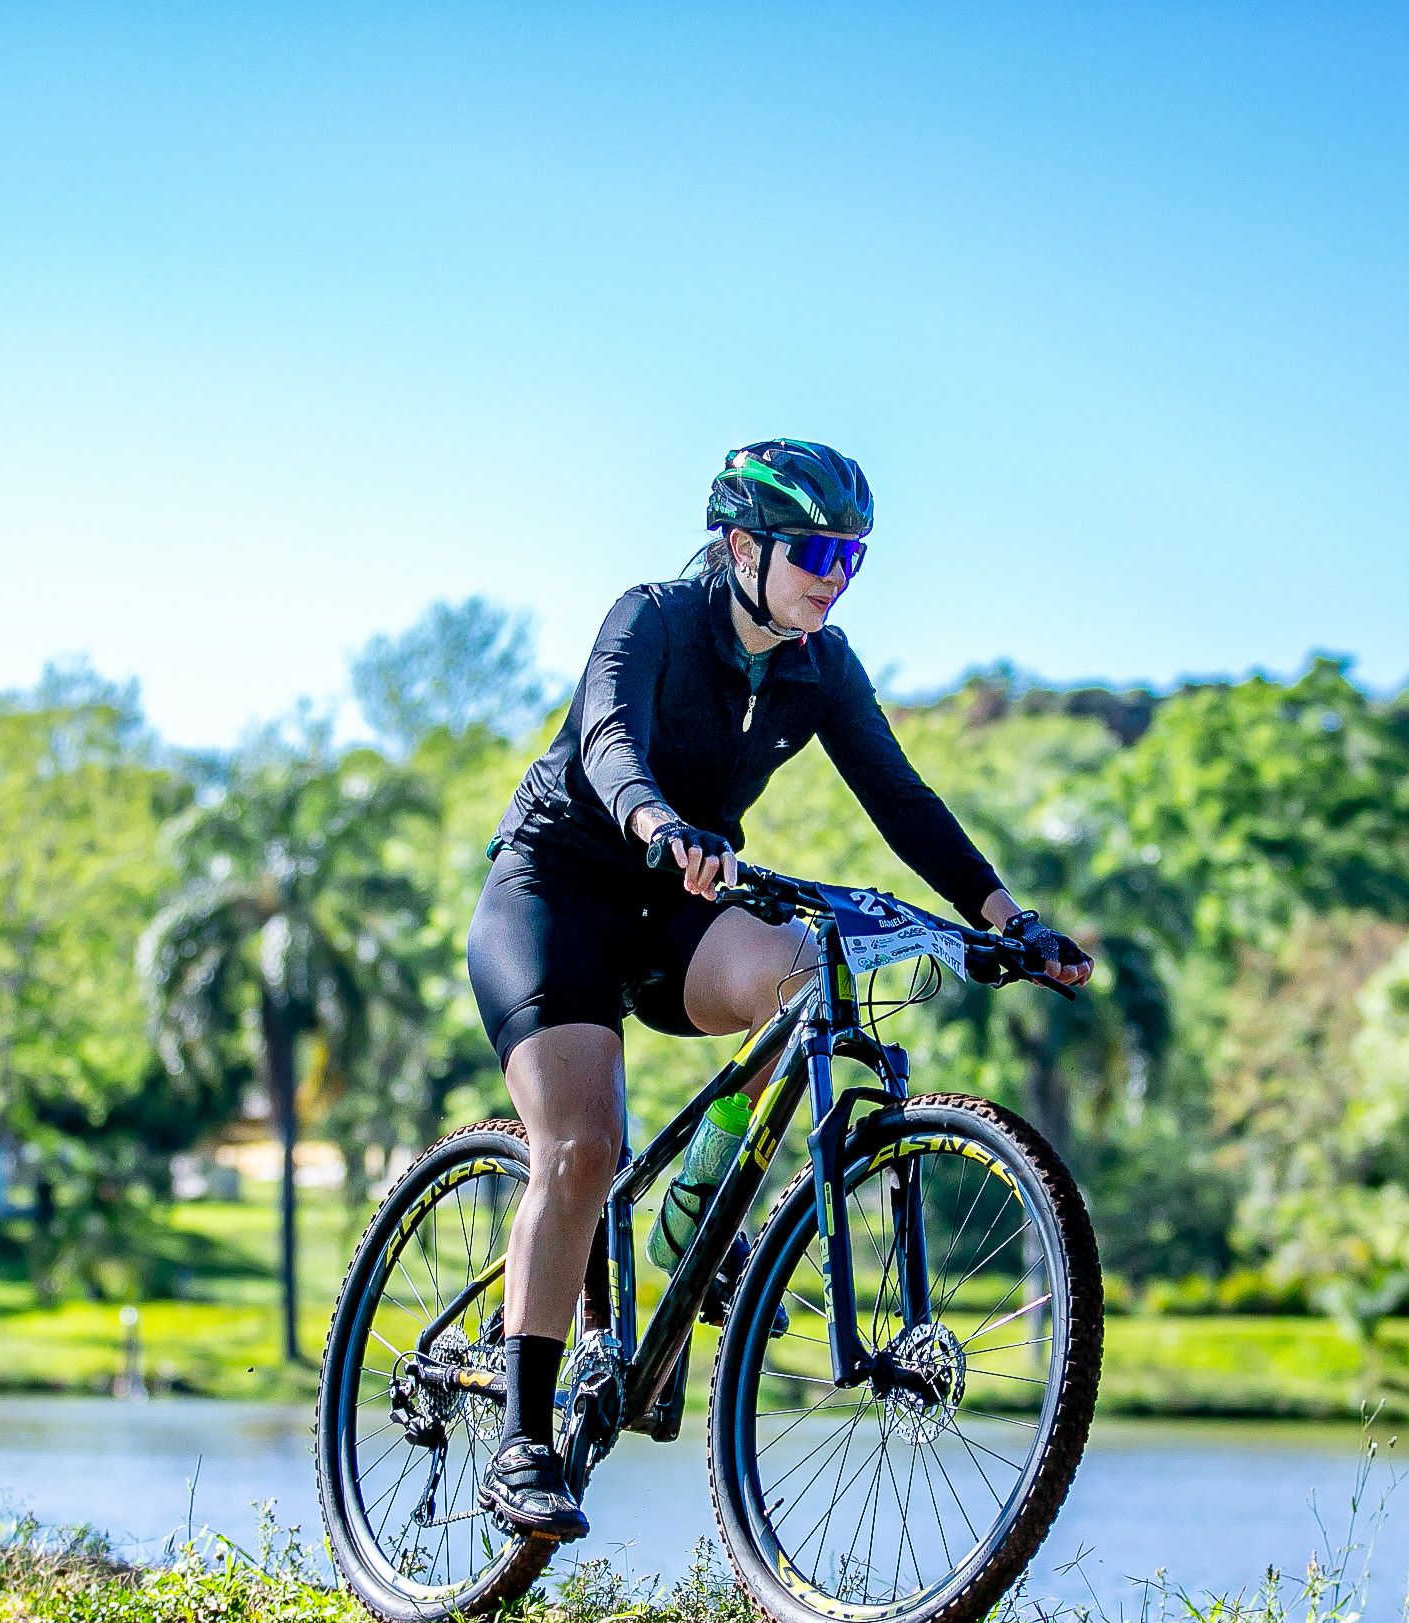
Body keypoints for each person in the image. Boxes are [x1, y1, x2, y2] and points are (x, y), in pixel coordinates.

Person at [466, 438, 1094, 1539]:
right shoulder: (653, 618)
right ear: (741, 546)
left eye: (854, 556)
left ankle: (695, 1221)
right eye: (815, 552)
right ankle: (522, 1440)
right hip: (557, 890)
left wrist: (1010, 921)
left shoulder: (821, 665)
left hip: (682, 901)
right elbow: (608, 739)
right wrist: (658, 823)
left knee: (805, 973)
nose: (835, 576)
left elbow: (901, 799)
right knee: (581, 1147)